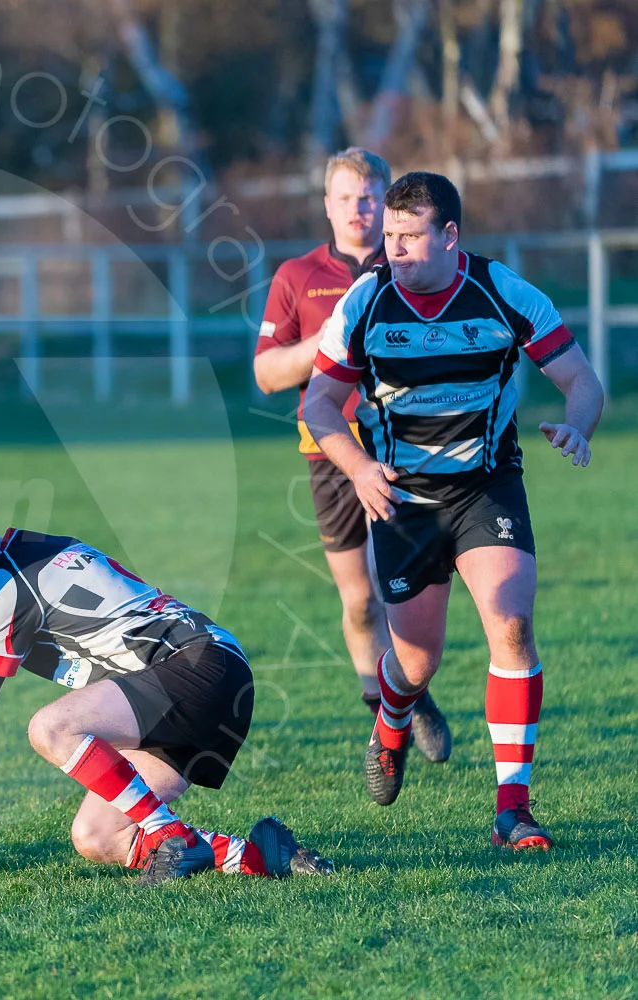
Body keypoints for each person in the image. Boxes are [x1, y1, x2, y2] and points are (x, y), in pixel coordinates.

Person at [303, 171, 603, 850]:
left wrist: (579, 424)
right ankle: (391, 722)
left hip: (485, 485)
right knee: (415, 660)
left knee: (513, 624)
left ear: (449, 236)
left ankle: (513, 810)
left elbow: (580, 378)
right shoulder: (366, 302)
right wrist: (356, 468)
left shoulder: (503, 293)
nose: (395, 251)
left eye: (409, 238)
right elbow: (317, 404)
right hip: (402, 499)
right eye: (388, 237)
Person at [0, 524, 334, 883]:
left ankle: (171, 837)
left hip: (196, 668)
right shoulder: (32, 552)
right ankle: (262, 855)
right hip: (210, 680)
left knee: (51, 727)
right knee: (95, 836)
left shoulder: (10, 584)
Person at [253, 147, 452, 762]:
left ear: (389, 202)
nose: (358, 210)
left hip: (409, 446)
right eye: (346, 198)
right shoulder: (296, 276)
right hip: (332, 452)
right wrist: (327, 340)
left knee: (409, 588)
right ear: (327, 205)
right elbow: (265, 374)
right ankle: (389, 712)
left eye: (370, 198)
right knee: (360, 599)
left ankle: (411, 687)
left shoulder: (413, 266)